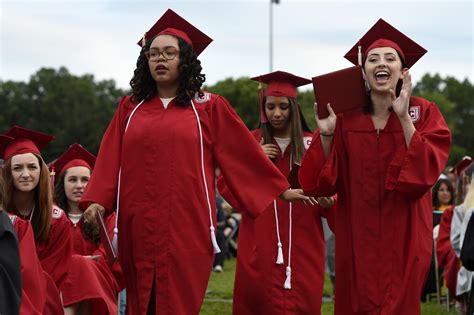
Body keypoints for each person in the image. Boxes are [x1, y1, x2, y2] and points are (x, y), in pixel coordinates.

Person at [80, 9, 310, 315]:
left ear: (185, 60)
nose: (160, 59)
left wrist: (280, 190)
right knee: (140, 302)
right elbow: (110, 157)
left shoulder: (208, 106)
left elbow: (242, 154)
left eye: (169, 53)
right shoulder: (130, 107)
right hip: (137, 223)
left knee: (177, 302)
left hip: (186, 225)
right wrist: (97, 200)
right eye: (153, 53)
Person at [299, 19, 451, 314]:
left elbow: (426, 174)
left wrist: (404, 117)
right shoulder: (343, 117)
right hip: (356, 237)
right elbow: (320, 184)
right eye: (373, 59)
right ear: (363, 71)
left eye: (390, 58)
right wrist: (328, 135)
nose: (381, 63)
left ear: (402, 72)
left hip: (405, 237)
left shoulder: (424, 112)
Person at [219, 71, 335, 314]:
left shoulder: (312, 143)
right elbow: (228, 189)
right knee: (258, 302)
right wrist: (255, 159)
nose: (277, 113)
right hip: (259, 244)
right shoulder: (250, 142)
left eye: (283, 106)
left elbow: (333, 185)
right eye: (270, 106)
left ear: (294, 108)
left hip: (305, 246)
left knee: (302, 303)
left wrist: (329, 199)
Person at [0, 128, 67, 313]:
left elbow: (55, 272)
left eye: (32, 167)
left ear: (42, 171)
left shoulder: (57, 220)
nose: (26, 174)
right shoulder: (2, 216)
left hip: (43, 296)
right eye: (17, 168)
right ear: (7, 173)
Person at [51, 143, 123, 315]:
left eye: (85, 180)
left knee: (81, 266)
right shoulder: (52, 217)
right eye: (72, 180)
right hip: (58, 286)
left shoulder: (106, 218)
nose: (79, 185)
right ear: (62, 183)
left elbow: (108, 256)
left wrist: (78, 263)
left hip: (96, 288)